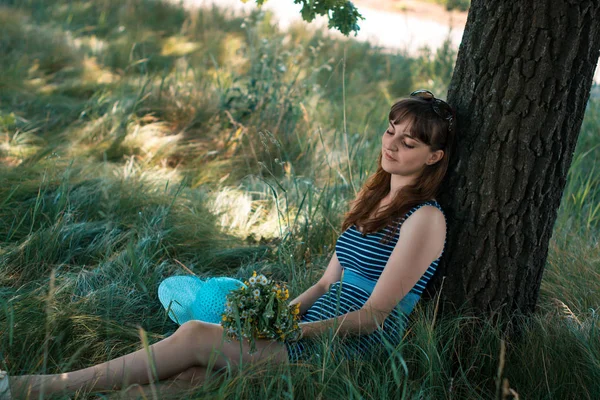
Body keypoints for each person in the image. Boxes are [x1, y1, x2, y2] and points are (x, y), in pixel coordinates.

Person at [0, 89, 456, 399]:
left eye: (408, 142)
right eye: (390, 131)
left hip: (348, 348)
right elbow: (323, 284)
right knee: (192, 377)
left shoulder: (425, 218)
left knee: (197, 334)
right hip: (310, 329)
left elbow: (375, 314)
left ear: (433, 156)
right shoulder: (373, 199)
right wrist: (277, 320)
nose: (391, 144)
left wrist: (297, 333)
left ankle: (35, 387)